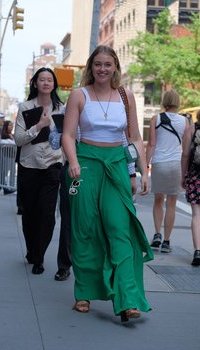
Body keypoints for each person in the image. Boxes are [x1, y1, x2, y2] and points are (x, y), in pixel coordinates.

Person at [62, 45, 153, 322]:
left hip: (115, 164)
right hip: (86, 164)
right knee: (85, 228)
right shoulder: (80, 95)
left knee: (120, 229)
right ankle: (84, 293)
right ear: (91, 66)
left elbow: (135, 137)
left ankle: (127, 299)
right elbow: (67, 135)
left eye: (108, 64)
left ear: (115, 67)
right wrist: (74, 161)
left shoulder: (126, 96)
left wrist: (142, 171)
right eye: (98, 64)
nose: (103, 69)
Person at [49, 125, 137, 282]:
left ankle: (106, 268)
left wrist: (131, 173)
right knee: (70, 219)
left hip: (107, 173)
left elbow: (125, 145)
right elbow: (54, 142)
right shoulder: (71, 110)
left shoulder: (114, 110)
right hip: (74, 173)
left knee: (107, 222)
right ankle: (65, 265)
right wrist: (66, 134)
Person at [14, 67, 64, 275]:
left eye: (49, 80)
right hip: (29, 166)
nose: (45, 83)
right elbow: (18, 139)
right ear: (35, 83)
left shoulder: (61, 108)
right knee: (30, 212)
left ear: (54, 84)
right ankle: (32, 250)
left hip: (52, 165)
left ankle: (40, 257)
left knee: (47, 214)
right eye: (41, 79)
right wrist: (39, 126)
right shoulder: (25, 107)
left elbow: (65, 137)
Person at [146, 89, 188, 253]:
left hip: (159, 163)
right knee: (171, 204)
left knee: (158, 200)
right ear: (177, 102)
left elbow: (151, 144)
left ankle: (157, 235)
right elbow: (185, 150)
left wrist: (146, 164)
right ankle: (167, 241)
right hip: (175, 164)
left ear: (164, 101)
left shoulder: (156, 119)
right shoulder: (185, 122)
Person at [181, 109, 200, 266]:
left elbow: (185, 155)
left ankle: (197, 251)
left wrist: (183, 176)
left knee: (196, 215)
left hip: (195, 176)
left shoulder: (192, 129)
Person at [0, 120, 16, 195]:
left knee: (10, 173)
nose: (11, 127)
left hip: (12, 157)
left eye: (12, 125)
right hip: (5, 156)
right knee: (3, 173)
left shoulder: (12, 135)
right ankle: (5, 188)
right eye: (10, 125)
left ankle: (6, 188)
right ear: (6, 126)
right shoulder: (4, 135)